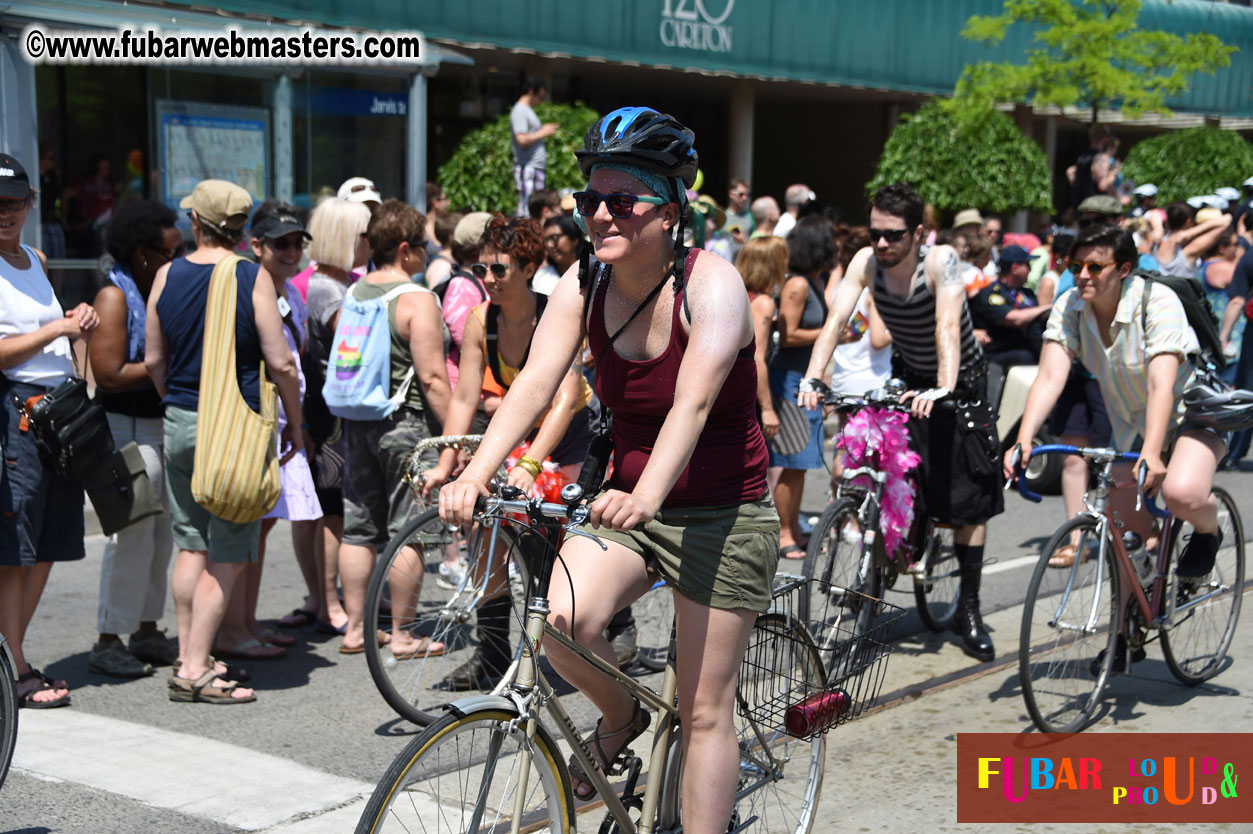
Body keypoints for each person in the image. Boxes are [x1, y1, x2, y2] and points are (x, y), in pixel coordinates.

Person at [439, 107, 777, 833]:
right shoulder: (583, 284)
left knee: (704, 708)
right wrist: (475, 469)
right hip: (630, 504)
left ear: (670, 210)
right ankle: (620, 715)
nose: (598, 214)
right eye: (588, 199)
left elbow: (693, 402)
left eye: (621, 201)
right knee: (559, 623)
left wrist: (647, 493)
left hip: (722, 511)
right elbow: (532, 384)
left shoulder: (711, 286)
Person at [801, 182, 1002, 662]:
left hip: (959, 382)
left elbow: (947, 327)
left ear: (918, 234)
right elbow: (835, 321)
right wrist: (813, 375)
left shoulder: (941, 261)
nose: (882, 244)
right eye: (876, 234)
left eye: (893, 235)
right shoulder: (866, 262)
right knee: (888, 464)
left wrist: (946, 386)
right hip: (908, 375)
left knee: (964, 501)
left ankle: (967, 609)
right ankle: (888, 551)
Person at [423, 213, 599, 688]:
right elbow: (464, 398)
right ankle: (494, 658)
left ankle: (610, 633)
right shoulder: (482, 320)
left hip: (571, 432)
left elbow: (563, 401)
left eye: (499, 269)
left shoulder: (555, 316)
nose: (488, 280)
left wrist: (530, 462)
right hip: (522, 436)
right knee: (492, 532)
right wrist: (448, 464)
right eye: (482, 270)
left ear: (528, 268)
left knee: (571, 533)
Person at [145, 179, 304, 705]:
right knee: (229, 550)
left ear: (195, 222)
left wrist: (179, 402)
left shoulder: (167, 274)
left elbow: (153, 360)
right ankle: (194, 668)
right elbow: (280, 361)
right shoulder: (248, 275)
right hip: (232, 428)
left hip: (179, 421)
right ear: (240, 228)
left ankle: (191, 652)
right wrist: (296, 423)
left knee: (190, 543)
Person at [1006, 225, 1227, 599]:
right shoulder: (1071, 306)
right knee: (1125, 533)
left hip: (1190, 412)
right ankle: (1125, 636)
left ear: (1124, 269)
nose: (1082, 275)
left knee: (1180, 493)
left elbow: (1162, 386)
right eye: (1074, 266)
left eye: (1095, 267)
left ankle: (1209, 532)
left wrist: (1153, 453)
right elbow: (1048, 377)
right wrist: (1023, 439)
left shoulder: (1156, 301)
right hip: (1131, 421)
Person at [0, 153, 97, 708]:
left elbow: (59, 337)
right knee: (16, 549)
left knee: (50, 543)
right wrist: (59, 326)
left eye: (14, 203)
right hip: (17, 413)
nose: (6, 214)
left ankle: (11, 654)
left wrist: (76, 328)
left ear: (30, 204)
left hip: (57, 414)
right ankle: (12, 667)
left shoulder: (33, 258)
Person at [337, 199, 452, 655]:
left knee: (359, 528)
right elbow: (433, 378)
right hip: (404, 423)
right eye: (422, 247)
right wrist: (453, 435)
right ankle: (403, 634)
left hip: (356, 420)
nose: (425, 254)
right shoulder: (416, 299)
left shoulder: (355, 292)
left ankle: (354, 629)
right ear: (405, 250)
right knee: (410, 531)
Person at [219, 202, 323, 652]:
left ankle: (247, 621)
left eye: (298, 242)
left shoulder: (291, 293)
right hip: (257, 419)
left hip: (282, 420)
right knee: (250, 525)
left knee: (261, 527)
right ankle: (233, 629)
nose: (292, 251)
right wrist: (293, 424)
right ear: (255, 245)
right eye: (281, 243)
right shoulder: (249, 286)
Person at [87, 199, 183, 678]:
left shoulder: (155, 289)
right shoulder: (115, 296)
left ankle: (147, 629)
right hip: (125, 428)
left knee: (161, 534)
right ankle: (109, 638)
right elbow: (106, 374)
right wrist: (164, 365)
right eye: (169, 252)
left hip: (157, 424)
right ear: (142, 253)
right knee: (131, 533)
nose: (176, 259)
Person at [302, 197, 372, 636]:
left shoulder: (337, 283)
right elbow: (355, 348)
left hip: (335, 412)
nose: (370, 242)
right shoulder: (327, 289)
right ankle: (329, 602)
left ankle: (331, 599)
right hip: (332, 417)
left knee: (337, 511)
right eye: (364, 235)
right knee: (334, 513)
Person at [768, 216, 833, 558]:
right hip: (789, 380)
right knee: (791, 461)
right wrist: (832, 334)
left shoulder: (814, 281)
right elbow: (788, 333)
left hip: (806, 381)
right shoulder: (798, 285)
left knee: (801, 464)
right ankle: (783, 536)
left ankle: (793, 529)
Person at [969, 245, 1052, 409]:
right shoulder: (990, 295)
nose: (1029, 270)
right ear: (1015, 268)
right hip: (997, 359)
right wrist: (1048, 307)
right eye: (1027, 265)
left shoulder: (1027, 295)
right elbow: (1014, 319)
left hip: (1030, 356)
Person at [736, 236, 787, 444]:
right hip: (748, 395)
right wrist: (767, 409)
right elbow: (756, 356)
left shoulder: (740, 294)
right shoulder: (764, 303)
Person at [511, 77, 559, 217]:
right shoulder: (520, 110)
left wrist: (542, 130)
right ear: (531, 92)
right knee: (528, 208)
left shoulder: (526, 110)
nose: (542, 100)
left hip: (533, 167)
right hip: (528, 166)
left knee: (535, 207)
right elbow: (521, 139)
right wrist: (543, 132)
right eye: (541, 96)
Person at [535, 215, 584, 295]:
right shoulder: (543, 277)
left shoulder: (594, 269)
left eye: (555, 238)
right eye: (546, 240)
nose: (550, 245)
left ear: (574, 239)